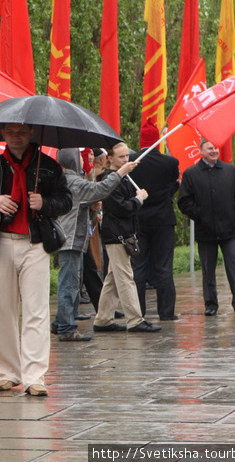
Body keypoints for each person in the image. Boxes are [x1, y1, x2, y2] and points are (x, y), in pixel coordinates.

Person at [0, 123, 72, 396]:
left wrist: (44, 203)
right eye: (10, 131)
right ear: (2, 134)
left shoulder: (48, 167)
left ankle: (35, 376)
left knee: (36, 310)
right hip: (0, 242)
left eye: (21, 131)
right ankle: (8, 372)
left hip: (35, 244)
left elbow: (66, 201)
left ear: (31, 133)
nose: (15, 135)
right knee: (2, 310)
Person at [53, 148, 137, 341]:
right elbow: (98, 190)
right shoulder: (72, 180)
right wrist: (120, 173)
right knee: (69, 284)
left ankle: (61, 322)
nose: (86, 161)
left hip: (75, 238)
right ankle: (66, 327)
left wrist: (91, 207)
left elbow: (86, 201)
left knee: (73, 282)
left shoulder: (69, 178)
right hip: (71, 238)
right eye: (81, 158)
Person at [92, 141, 160, 333]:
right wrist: (139, 199)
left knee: (113, 278)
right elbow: (121, 208)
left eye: (127, 156)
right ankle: (135, 320)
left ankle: (103, 319)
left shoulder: (124, 178)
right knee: (125, 278)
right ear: (110, 159)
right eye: (121, 157)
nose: (126, 160)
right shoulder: (109, 179)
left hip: (123, 232)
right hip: (116, 234)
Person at [178, 139, 235, 316]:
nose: (214, 150)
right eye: (210, 148)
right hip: (205, 230)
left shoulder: (230, 170)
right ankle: (210, 304)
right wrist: (200, 215)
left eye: (216, 148)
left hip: (229, 229)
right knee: (208, 269)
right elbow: (184, 201)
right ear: (201, 150)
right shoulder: (191, 174)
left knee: (233, 265)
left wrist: (233, 212)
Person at [128, 122, 180, 320]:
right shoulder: (169, 163)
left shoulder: (131, 163)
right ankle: (166, 312)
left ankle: (138, 312)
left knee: (138, 268)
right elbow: (174, 184)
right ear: (157, 140)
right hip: (163, 220)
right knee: (164, 267)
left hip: (138, 220)